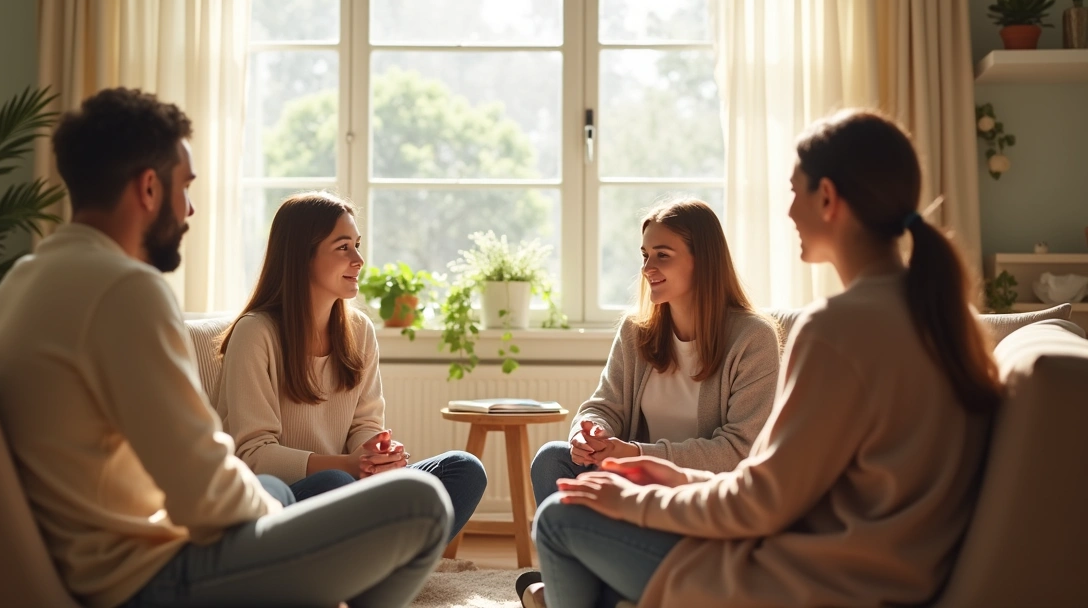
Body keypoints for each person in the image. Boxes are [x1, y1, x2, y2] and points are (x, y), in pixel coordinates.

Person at [0, 88, 451, 608]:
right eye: (185, 187)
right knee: (420, 502)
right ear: (149, 188)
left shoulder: (23, 281)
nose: (190, 208)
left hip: (93, 560)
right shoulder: (125, 289)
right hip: (145, 576)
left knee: (283, 490)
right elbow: (202, 491)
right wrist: (285, 527)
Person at [523, 109, 1003, 608]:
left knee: (559, 520)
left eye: (795, 192)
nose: (790, 212)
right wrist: (674, 476)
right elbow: (786, 487)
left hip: (810, 578)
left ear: (827, 197)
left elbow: (760, 500)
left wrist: (640, 498)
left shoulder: (836, 329)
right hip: (873, 569)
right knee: (570, 499)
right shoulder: (943, 318)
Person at [214, 190, 486, 541]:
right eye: (343, 247)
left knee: (464, 469)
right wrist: (346, 465)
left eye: (357, 245)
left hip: (350, 487)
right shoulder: (256, 333)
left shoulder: (359, 330)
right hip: (287, 498)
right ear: (301, 256)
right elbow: (253, 455)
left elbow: (365, 424)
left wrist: (377, 455)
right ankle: (391, 553)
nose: (358, 259)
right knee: (333, 483)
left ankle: (376, 555)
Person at [529, 199, 780, 507]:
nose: (647, 269)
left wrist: (637, 453)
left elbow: (740, 450)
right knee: (552, 459)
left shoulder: (753, 338)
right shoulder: (635, 331)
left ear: (704, 260)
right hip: (633, 485)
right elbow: (605, 406)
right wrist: (590, 434)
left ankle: (583, 535)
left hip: (703, 496)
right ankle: (579, 535)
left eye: (663, 255)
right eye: (645, 255)